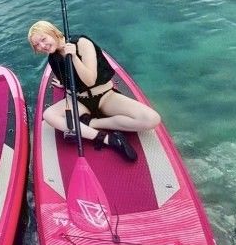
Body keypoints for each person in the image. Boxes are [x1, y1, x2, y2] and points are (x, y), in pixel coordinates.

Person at [27, 20, 161, 162]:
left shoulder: (82, 43)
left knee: (152, 119)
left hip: (105, 97)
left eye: (43, 39)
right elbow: (69, 77)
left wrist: (73, 57)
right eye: (37, 45)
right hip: (80, 101)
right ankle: (108, 139)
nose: (42, 46)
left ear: (53, 32)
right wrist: (64, 83)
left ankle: (90, 123)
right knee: (49, 115)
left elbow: (90, 80)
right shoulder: (53, 58)